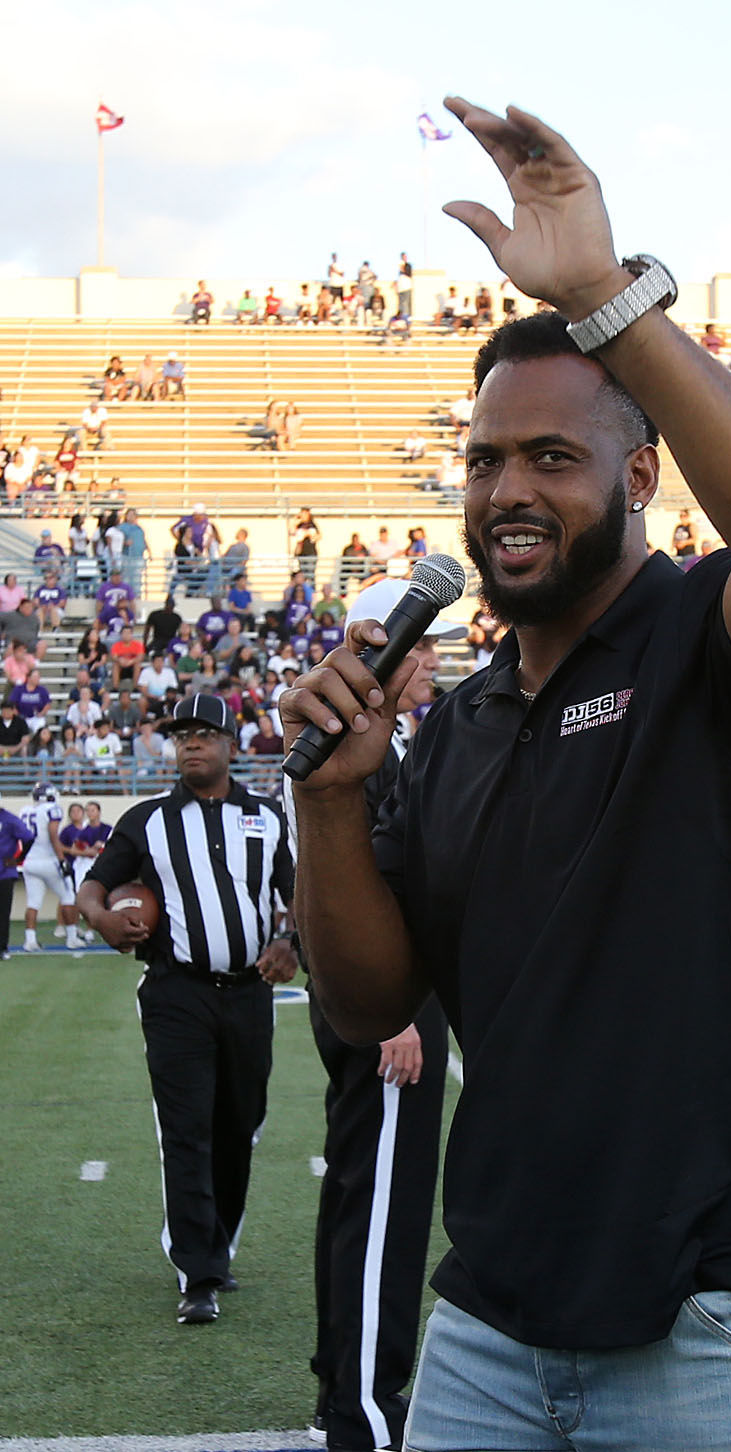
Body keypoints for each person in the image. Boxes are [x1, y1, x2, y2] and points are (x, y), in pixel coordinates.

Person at [283, 98, 731, 1452]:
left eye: (555, 456)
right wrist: (328, 798)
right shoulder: (462, 721)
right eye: (486, 460)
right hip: (492, 1319)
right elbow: (374, 1003)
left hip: (717, 1317)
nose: (508, 490)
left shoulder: (707, 634)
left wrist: (606, 297)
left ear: (642, 474)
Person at [285, 579, 455, 1452]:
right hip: (387, 1007)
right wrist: (397, 1016)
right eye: (420, 647)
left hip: (382, 1000)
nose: (431, 662)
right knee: (384, 1203)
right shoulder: (362, 751)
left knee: (361, 1192)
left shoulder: (376, 745)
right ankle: (366, 1409)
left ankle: (342, 1391)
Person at [77, 695, 298, 1326]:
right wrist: (98, 919)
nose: (191, 745)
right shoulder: (146, 821)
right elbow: (95, 883)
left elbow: (300, 896)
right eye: (182, 737)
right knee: (187, 1128)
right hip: (178, 993)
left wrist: (293, 943)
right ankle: (197, 1271)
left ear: (231, 745)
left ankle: (217, 1245)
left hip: (250, 992)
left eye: (205, 735)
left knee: (240, 1122)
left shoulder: (267, 817)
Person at [19, 782, 85, 951]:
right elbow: (53, 835)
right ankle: (71, 938)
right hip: (48, 860)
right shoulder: (51, 809)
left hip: (30, 861)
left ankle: (30, 940)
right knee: (69, 896)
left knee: (33, 902)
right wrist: (62, 859)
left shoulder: (26, 811)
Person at [0, 798, 34, 958]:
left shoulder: (10, 819)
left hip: (4, 872)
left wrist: (18, 859)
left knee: (3, 912)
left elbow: (28, 838)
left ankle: (2, 947)